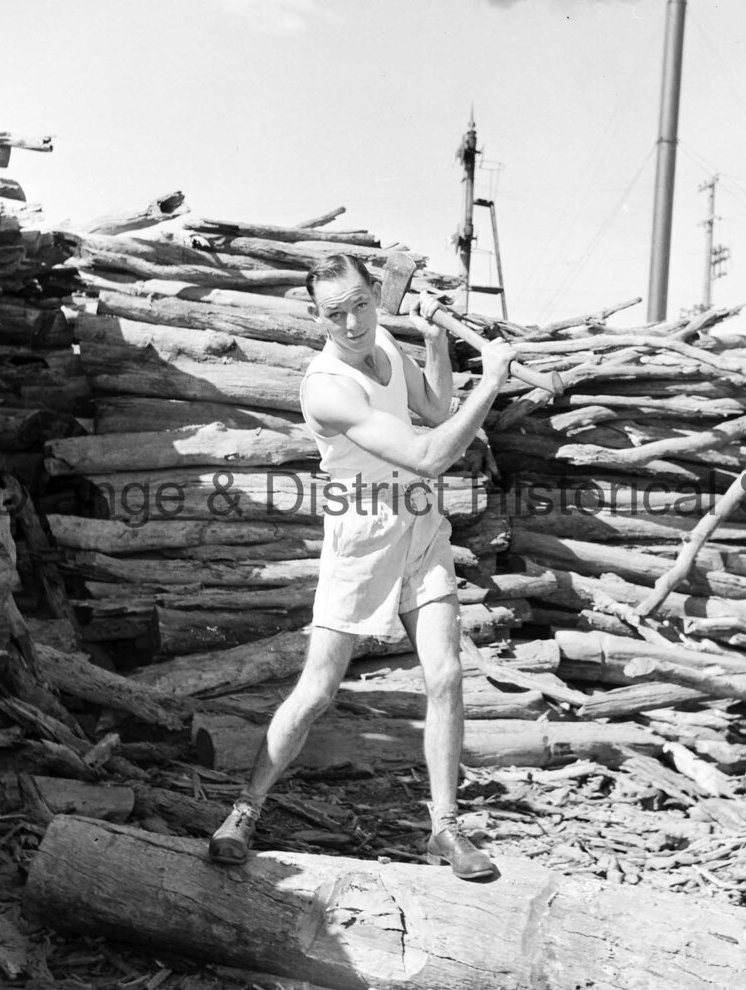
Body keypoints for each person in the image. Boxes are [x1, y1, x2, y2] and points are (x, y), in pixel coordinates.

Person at [209, 253, 516, 880]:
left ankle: (446, 828)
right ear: (315, 315)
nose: (351, 323)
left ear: (376, 295)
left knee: (446, 674)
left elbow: (436, 408)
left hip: (421, 525)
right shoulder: (328, 387)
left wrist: (435, 341)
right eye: (335, 313)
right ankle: (245, 807)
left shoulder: (385, 346)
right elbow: (430, 454)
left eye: (360, 305)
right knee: (318, 690)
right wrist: (491, 380)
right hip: (363, 534)